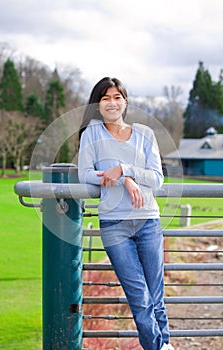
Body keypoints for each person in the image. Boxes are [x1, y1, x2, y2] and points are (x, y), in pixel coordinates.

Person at [78, 77, 174, 350]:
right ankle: (161, 346)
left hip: (148, 222)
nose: (112, 102)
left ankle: (162, 345)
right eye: (105, 98)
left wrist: (126, 169)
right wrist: (123, 178)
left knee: (156, 296)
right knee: (139, 297)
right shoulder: (92, 134)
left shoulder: (144, 133)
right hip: (114, 224)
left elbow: (157, 179)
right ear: (97, 104)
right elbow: (85, 173)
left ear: (125, 102)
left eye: (117, 97)